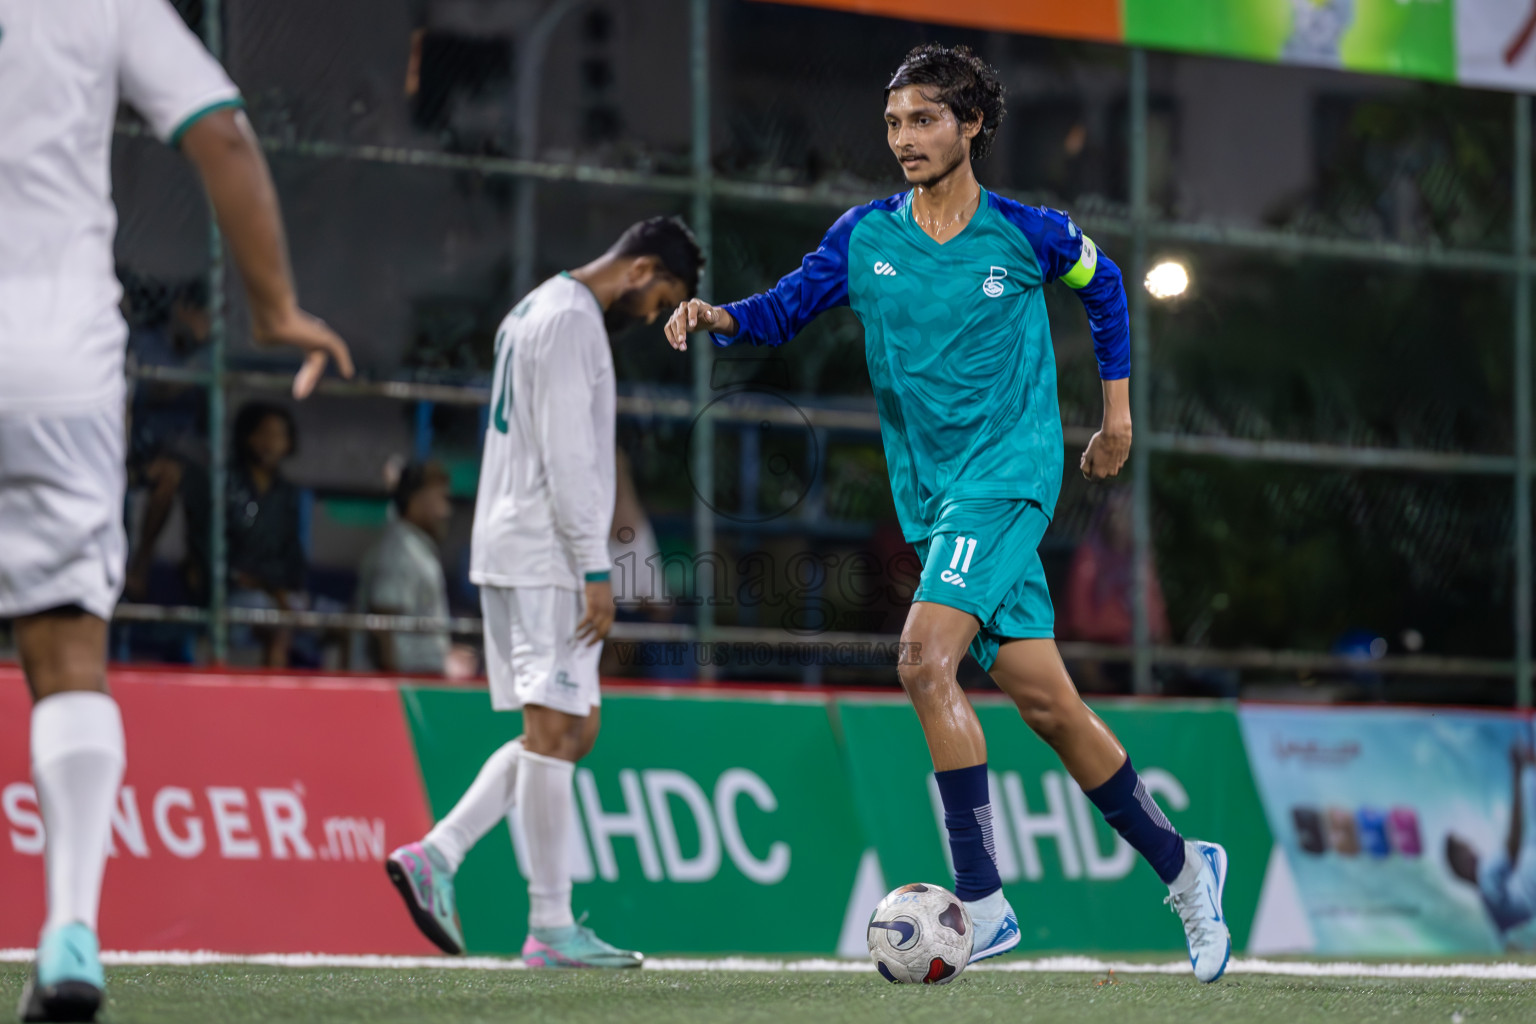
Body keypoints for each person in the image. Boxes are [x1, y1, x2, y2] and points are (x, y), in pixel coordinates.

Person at [664, 44, 1231, 983]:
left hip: (1009, 479)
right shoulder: (865, 237)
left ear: (971, 124)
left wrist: (1116, 416)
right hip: (934, 502)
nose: (905, 138)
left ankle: (986, 901)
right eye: (893, 122)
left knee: (922, 658)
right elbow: (782, 309)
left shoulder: (1026, 232)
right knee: (1050, 706)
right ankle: (1186, 868)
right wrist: (719, 315)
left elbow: (1107, 288)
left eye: (924, 118)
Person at [0, 1, 353, 1018]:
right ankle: (70, 930)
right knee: (67, 653)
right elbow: (223, 134)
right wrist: (275, 309)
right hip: (60, 369)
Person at [385, 217, 702, 967]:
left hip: (520, 542)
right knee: (558, 730)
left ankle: (440, 854)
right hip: (544, 552)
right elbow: (568, 454)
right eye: (662, 297)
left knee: (569, 727)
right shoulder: (570, 322)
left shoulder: (533, 308)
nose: (654, 315)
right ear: (641, 268)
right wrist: (598, 570)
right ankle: (549, 926)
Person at [353, 460, 473, 677]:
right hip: (402, 686)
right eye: (440, 499)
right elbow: (384, 624)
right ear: (416, 499)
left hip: (422, 679)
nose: (446, 511)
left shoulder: (416, 546)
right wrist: (395, 683)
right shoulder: (400, 549)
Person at [1061, 487, 1170, 693]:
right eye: (1116, 514)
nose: (1122, 520)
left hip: (1135, 653)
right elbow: (1080, 624)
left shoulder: (1140, 561)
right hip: (1099, 654)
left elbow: (1157, 622)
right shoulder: (1089, 557)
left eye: (1128, 514)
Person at [1447, 745, 1536, 941]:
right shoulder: (1486, 877)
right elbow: (1512, 847)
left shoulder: (1490, 907)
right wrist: (1516, 773)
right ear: (1461, 865)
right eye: (1465, 848)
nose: (1472, 847)